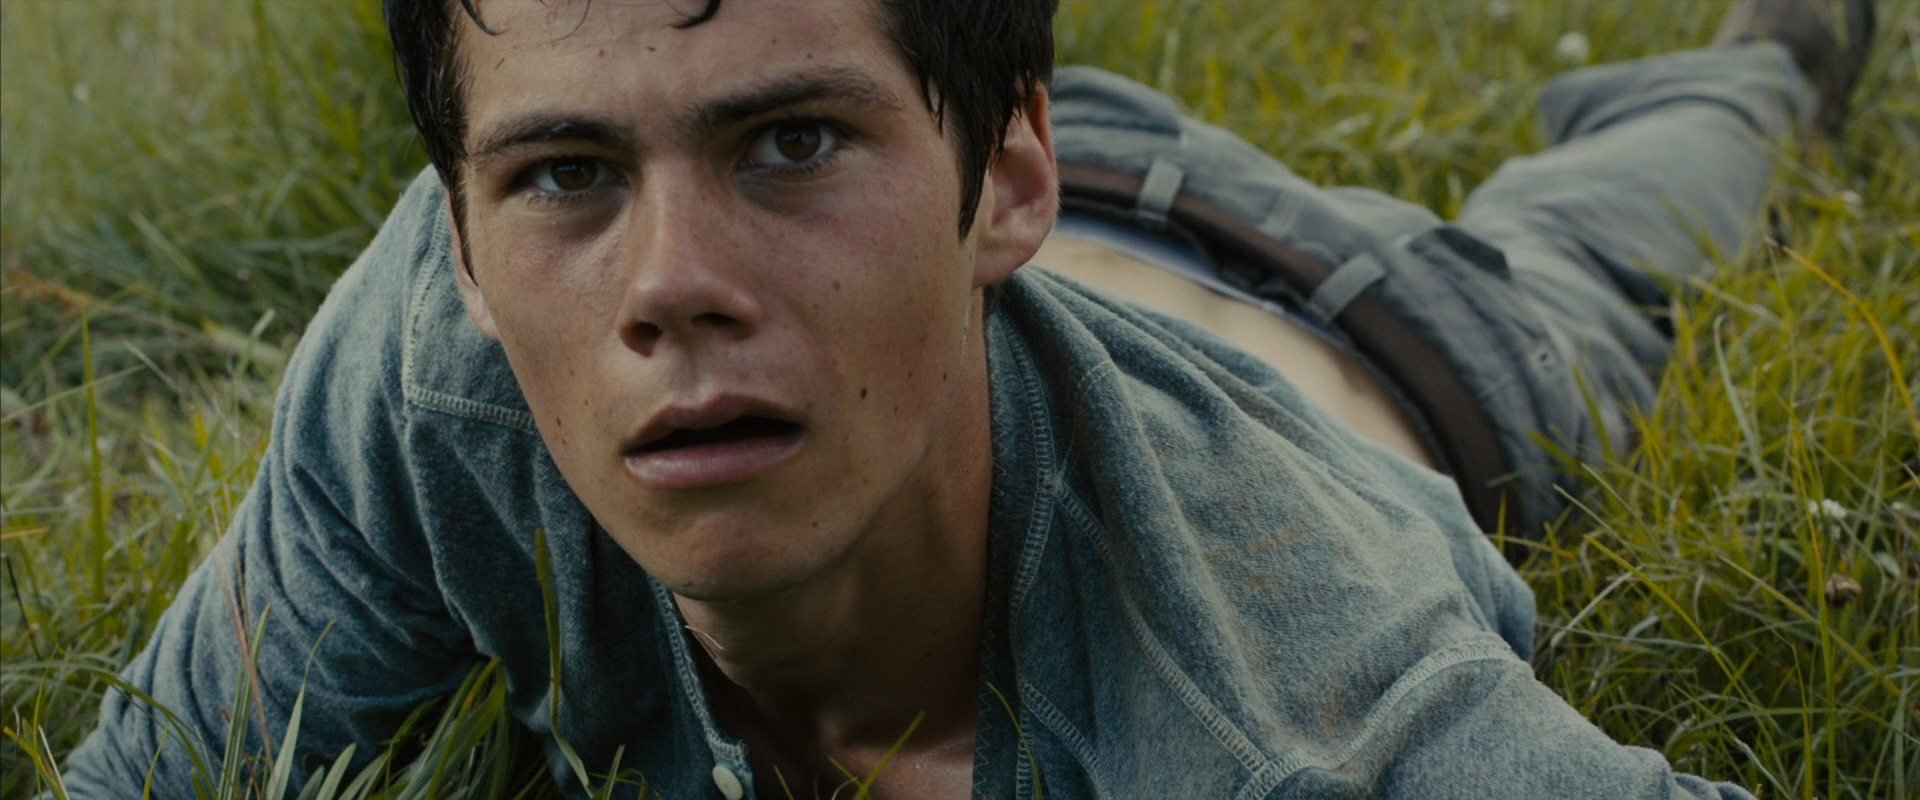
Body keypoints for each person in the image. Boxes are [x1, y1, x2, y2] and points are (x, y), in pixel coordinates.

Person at [60, 0, 1875, 797]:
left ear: (1006, 176)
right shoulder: (437, 369)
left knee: (1623, 222)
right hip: (1020, 189)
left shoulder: (1291, 719)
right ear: (461, 240)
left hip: (1400, 339)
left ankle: (1755, 64)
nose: (667, 283)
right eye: (567, 174)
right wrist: (818, 152)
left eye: (783, 141)